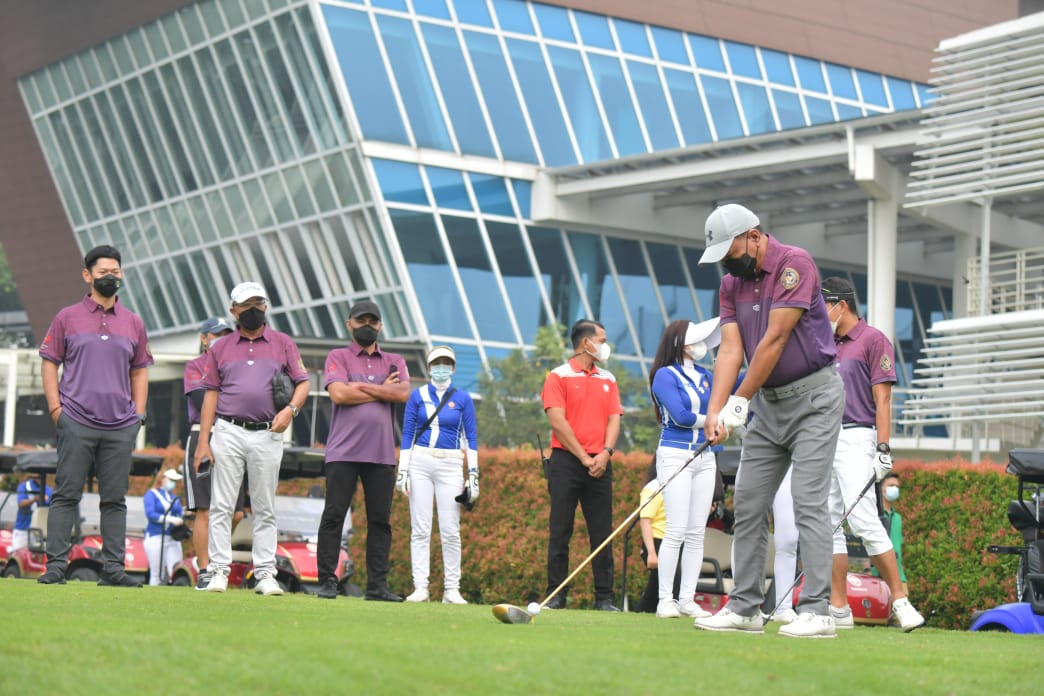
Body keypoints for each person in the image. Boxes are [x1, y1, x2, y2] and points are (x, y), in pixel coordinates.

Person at [693, 203, 844, 638]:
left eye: (730, 248)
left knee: (807, 501)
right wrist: (716, 409)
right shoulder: (729, 284)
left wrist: (740, 399)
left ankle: (816, 611)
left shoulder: (794, 264)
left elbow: (776, 339)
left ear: (754, 236)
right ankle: (744, 608)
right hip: (769, 405)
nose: (726, 258)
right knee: (750, 499)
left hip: (814, 397)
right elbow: (730, 350)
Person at [38, 244, 152, 587]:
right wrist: (57, 410)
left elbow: (140, 370)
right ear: (87, 275)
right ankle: (56, 566)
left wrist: (139, 415)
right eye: (103, 272)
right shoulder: (67, 317)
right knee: (66, 495)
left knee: (114, 500)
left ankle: (113, 570)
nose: (110, 277)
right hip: (75, 420)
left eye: (116, 272)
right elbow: (49, 362)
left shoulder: (133, 322)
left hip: (120, 425)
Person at [193, 281, 310, 596]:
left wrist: (291, 411)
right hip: (228, 431)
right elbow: (210, 397)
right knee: (221, 506)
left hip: (268, 432)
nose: (254, 310)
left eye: (259, 303)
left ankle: (265, 574)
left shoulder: (283, 342)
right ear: (233, 311)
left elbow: (303, 383)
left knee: (264, 506)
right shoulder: (219, 348)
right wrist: (204, 441)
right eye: (247, 305)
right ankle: (218, 571)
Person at [821, 277, 924, 631]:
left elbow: (883, 400)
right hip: (825, 438)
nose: (820, 313)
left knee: (863, 520)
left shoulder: (872, 339)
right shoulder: (825, 341)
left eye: (823, 305)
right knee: (828, 522)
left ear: (841, 304)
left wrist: (883, 447)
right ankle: (838, 608)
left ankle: (900, 601)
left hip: (857, 437)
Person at [315, 300, 411, 601]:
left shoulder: (394, 360)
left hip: (381, 453)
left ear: (380, 325)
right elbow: (339, 394)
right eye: (361, 321)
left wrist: (361, 386)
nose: (367, 326)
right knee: (334, 515)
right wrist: (382, 389)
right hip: (343, 451)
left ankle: (377, 587)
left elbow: (404, 393)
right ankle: (328, 581)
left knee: (380, 521)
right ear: (349, 324)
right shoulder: (338, 355)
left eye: (372, 321)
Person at [541, 319, 623, 611]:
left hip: (600, 461)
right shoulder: (557, 376)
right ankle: (555, 595)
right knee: (560, 529)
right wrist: (585, 457)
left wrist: (606, 453)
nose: (604, 344)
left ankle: (604, 598)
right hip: (566, 461)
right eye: (601, 339)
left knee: (602, 531)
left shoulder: (608, 379)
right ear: (586, 343)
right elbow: (557, 422)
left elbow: (615, 417)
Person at [647, 317, 723, 619]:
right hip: (676, 455)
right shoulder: (664, 375)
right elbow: (679, 415)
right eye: (695, 340)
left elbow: (730, 395)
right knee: (676, 530)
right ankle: (666, 600)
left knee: (695, 533)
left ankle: (687, 599)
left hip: (706, 457)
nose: (702, 345)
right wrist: (714, 420)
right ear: (680, 343)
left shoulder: (706, 375)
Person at [397, 345, 479, 605]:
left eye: (446, 363)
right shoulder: (417, 396)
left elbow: (471, 437)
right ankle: (421, 587)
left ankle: (451, 589)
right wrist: (402, 470)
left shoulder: (463, 399)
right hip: (420, 461)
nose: (441, 368)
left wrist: (473, 474)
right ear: (429, 367)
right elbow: (408, 434)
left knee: (450, 530)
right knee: (420, 528)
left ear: (453, 368)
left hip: (451, 464)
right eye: (436, 363)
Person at [182, 316, 247, 589]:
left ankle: (215, 553)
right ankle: (205, 566)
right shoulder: (195, 366)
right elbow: (202, 399)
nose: (221, 337)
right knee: (205, 510)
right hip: (203, 434)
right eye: (215, 333)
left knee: (236, 513)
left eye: (225, 333)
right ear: (204, 338)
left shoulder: (237, 365)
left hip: (234, 435)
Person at [636, 460, 679, 613]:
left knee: (659, 587)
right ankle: (644, 611)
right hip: (657, 542)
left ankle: (643, 613)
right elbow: (645, 520)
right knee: (667, 585)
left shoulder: (679, 486)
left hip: (674, 540)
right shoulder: (653, 487)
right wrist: (652, 553)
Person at [143, 468, 185, 586]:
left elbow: (180, 513)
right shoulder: (152, 494)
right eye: (170, 479)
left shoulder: (174, 497)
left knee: (175, 570)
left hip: (173, 538)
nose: (173, 483)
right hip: (155, 537)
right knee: (157, 574)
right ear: (162, 478)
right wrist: (169, 519)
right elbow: (150, 514)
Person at [874, 471, 909, 597]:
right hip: (875, 576)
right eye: (891, 486)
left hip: (899, 578)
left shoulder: (898, 518)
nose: (895, 489)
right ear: (881, 489)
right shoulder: (873, 516)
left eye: (897, 487)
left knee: (900, 613)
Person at [12, 473, 53, 552]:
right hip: (23, 530)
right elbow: (21, 503)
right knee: (18, 555)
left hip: (39, 532)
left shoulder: (48, 490)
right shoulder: (25, 486)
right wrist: (34, 499)